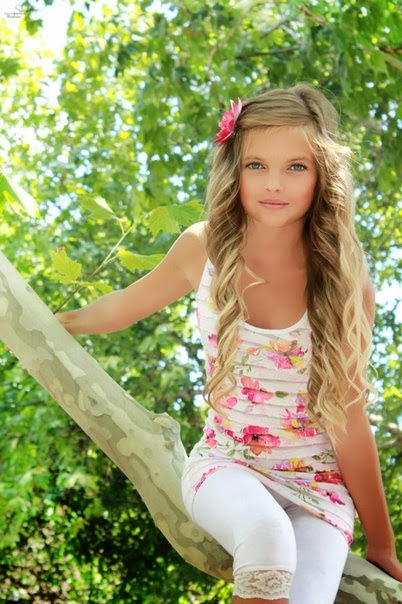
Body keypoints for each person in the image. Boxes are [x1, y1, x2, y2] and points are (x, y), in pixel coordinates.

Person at [57, 84, 402, 603]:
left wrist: (383, 543)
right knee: (268, 539)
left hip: (318, 492)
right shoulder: (204, 248)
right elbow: (122, 307)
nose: (274, 183)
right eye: (256, 165)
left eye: (296, 167)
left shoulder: (346, 282)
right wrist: (53, 321)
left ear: (322, 175)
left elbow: (349, 417)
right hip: (228, 465)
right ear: (234, 170)